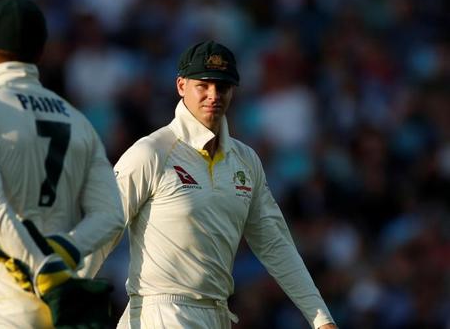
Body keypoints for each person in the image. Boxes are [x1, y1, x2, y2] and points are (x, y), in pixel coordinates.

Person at [113, 40, 338, 329]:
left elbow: (275, 244)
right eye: (203, 85)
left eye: (223, 87)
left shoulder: (245, 161)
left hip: (217, 313)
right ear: (181, 86)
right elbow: (103, 225)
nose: (213, 95)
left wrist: (321, 318)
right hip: (159, 314)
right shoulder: (151, 152)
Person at [0, 0, 124, 328]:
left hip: (4, 292)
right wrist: (65, 250)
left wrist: (43, 265)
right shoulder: (79, 121)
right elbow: (112, 216)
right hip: (63, 300)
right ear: (41, 52)